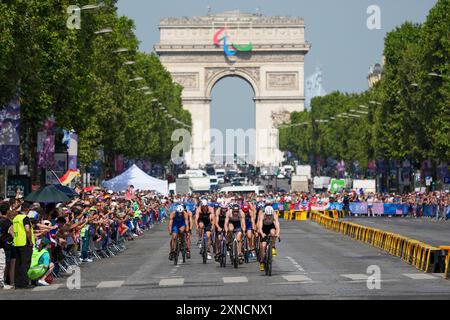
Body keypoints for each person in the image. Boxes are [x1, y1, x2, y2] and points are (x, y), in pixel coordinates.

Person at [12, 202, 35, 289]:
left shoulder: (15, 218)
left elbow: (12, 229)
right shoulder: (25, 218)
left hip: (17, 243)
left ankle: (17, 283)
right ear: (27, 209)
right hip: (25, 243)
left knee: (18, 263)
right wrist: (30, 241)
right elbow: (27, 229)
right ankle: (24, 283)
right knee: (25, 264)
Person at [257, 206, 280, 272]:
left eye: (270, 215)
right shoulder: (262, 215)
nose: (269, 217)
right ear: (265, 214)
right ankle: (262, 262)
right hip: (263, 229)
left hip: (271, 227)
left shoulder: (274, 215)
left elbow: (277, 226)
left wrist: (277, 234)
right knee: (263, 246)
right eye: (268, 215)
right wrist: (262, 234)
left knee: (273, 233)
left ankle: (273, 246)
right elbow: (260, 227)